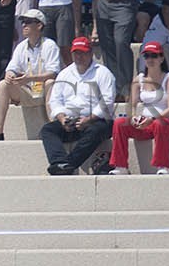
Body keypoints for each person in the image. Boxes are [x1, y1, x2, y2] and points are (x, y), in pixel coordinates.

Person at [40, 36, 116, 175]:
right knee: (48, 130)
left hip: (97, 120)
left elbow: (108, 102)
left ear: (90, 53)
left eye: (83, 53)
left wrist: (89, 119)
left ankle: (68, 164)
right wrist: (62, 118)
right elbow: (55, 100)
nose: (79, 56)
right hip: (72, 120)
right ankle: (59, 162)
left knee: (95, 131)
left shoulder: (103, 73)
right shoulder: (65, 74)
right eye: (76, 53)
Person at [0, 10, 62, 140]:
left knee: (50, 83)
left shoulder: (50, 45)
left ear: (39, 25)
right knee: (3, 84)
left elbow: (53, 73)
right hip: (28, 91)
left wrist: (29, 78)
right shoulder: (21, 46)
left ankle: (54, 129)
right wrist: (10, 75)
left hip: (45, 90)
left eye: (28, 22)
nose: (24, 25)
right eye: (23, 22)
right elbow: (12, 68)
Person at [110, 40, 169, 175]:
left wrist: (152, 118)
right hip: (147, 122)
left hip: (167, 123)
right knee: (119, 123)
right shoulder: (139, 79)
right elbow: (131, 104)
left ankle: (163, 165)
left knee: (159, 123)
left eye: (154, 56)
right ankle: (121, 166)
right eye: (147, 56)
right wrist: (134, 118)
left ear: (161, 58)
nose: (150, 59)